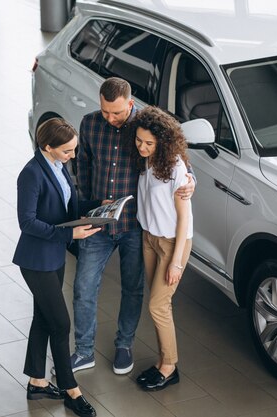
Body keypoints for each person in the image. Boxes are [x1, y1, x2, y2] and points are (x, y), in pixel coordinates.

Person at [71, 77, 195, 375]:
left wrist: (190, 179)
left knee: (133, 288)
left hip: (134, 227)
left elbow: (174, 156)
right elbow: (83, 166)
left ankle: (124, 346)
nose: (110, 118)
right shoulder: (89, 124)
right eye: (104, 111)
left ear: (130, 103)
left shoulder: (144, 128)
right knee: (84, 287)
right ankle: (84, 351)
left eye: (116, 112)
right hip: (98, 223)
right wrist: (87, 207)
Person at [13, 118, 101, 417]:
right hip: (36, 261)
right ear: (47, 147)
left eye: (73, 150)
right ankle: (70, 389)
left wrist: (100, 205)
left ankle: (37, 381)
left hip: (55, 256)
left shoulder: (59, 166)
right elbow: (27, 222)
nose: (72, 156)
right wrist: (68, 234)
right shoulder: (31, 174)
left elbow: (68, 206)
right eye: (67, 151)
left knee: (44, 317)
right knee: (61, 323)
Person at [131, 106, 193, 390]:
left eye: (149, 143)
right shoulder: (145, 159)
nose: (142, 147)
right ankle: (162, 361)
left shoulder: (175, 168)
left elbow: (185, 218)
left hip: (171, 243)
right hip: (149, 238)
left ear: (163, 142)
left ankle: (169, 367)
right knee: (159, 305)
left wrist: (177, 262)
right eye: (139, 140)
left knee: (157, 304)